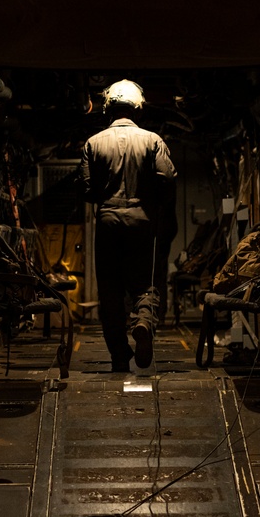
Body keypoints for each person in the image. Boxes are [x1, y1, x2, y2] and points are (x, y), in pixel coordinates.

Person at [79, 80, 177, 372]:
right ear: (138, 108)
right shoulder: (153, 140)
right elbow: (168, 179)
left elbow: (86, 190)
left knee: (110, 291)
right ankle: (144, 322)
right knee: (145, 283)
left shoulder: (92, 143)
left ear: (108, 108)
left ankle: (120, 357)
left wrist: (105, 196)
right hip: (142, 220)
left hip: (108, 220)